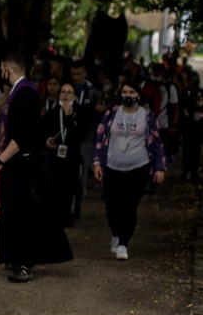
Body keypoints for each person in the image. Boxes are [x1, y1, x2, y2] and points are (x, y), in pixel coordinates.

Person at [0, 54, 72, 282]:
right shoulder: (19, 93)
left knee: (23, 214)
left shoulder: (25, 95)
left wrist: (0, 161)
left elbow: (21, 135)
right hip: (14, 163)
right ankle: (15, 256)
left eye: (2, 71)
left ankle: (26, 262)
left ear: (7, 71)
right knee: (12, 210)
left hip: (22, 165)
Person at [93, 80, 166, 260]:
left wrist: (159, 168)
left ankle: (124, 244)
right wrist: (96, 163)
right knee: (112, 206)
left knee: (130, 206)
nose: (128, 96)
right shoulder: (112, 114)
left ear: (138, 96)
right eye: (125, 92)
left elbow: (157, 142)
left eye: (132, 93)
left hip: (138, 167)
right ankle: (116, 235)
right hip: (112, 167)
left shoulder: (148, 116)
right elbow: (100, 136)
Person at [42, 82, 83, 227]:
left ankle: (68, 216)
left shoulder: (80, 113)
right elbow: (42, 132)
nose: (66, 95)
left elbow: (79, 136)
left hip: (72, 159)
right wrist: (46, 140)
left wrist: (68, 115)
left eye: (69, 92)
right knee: (54, 188)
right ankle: (54, 217)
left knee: (69, 190)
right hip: (55, 158)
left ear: (75, 97)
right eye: (63, 92)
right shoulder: (52, 114)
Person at [70, 59, 103, 223]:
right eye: (73, 74)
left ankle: (78, 206)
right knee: (70, 176)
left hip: (86, 139)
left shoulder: (93, 92)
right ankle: (70, 208)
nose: (75, 77)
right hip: (69, 139)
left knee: (81, 178)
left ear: (85, 74)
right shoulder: (68, 90)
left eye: (78, 74)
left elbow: (99, 116)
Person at [179, 71, 203, 183]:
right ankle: (186, 170)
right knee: (186, 150)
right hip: (187, 126)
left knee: (196, 150)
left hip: (198, 127)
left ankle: (194, 172)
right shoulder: (185, 94)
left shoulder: (201, 94)